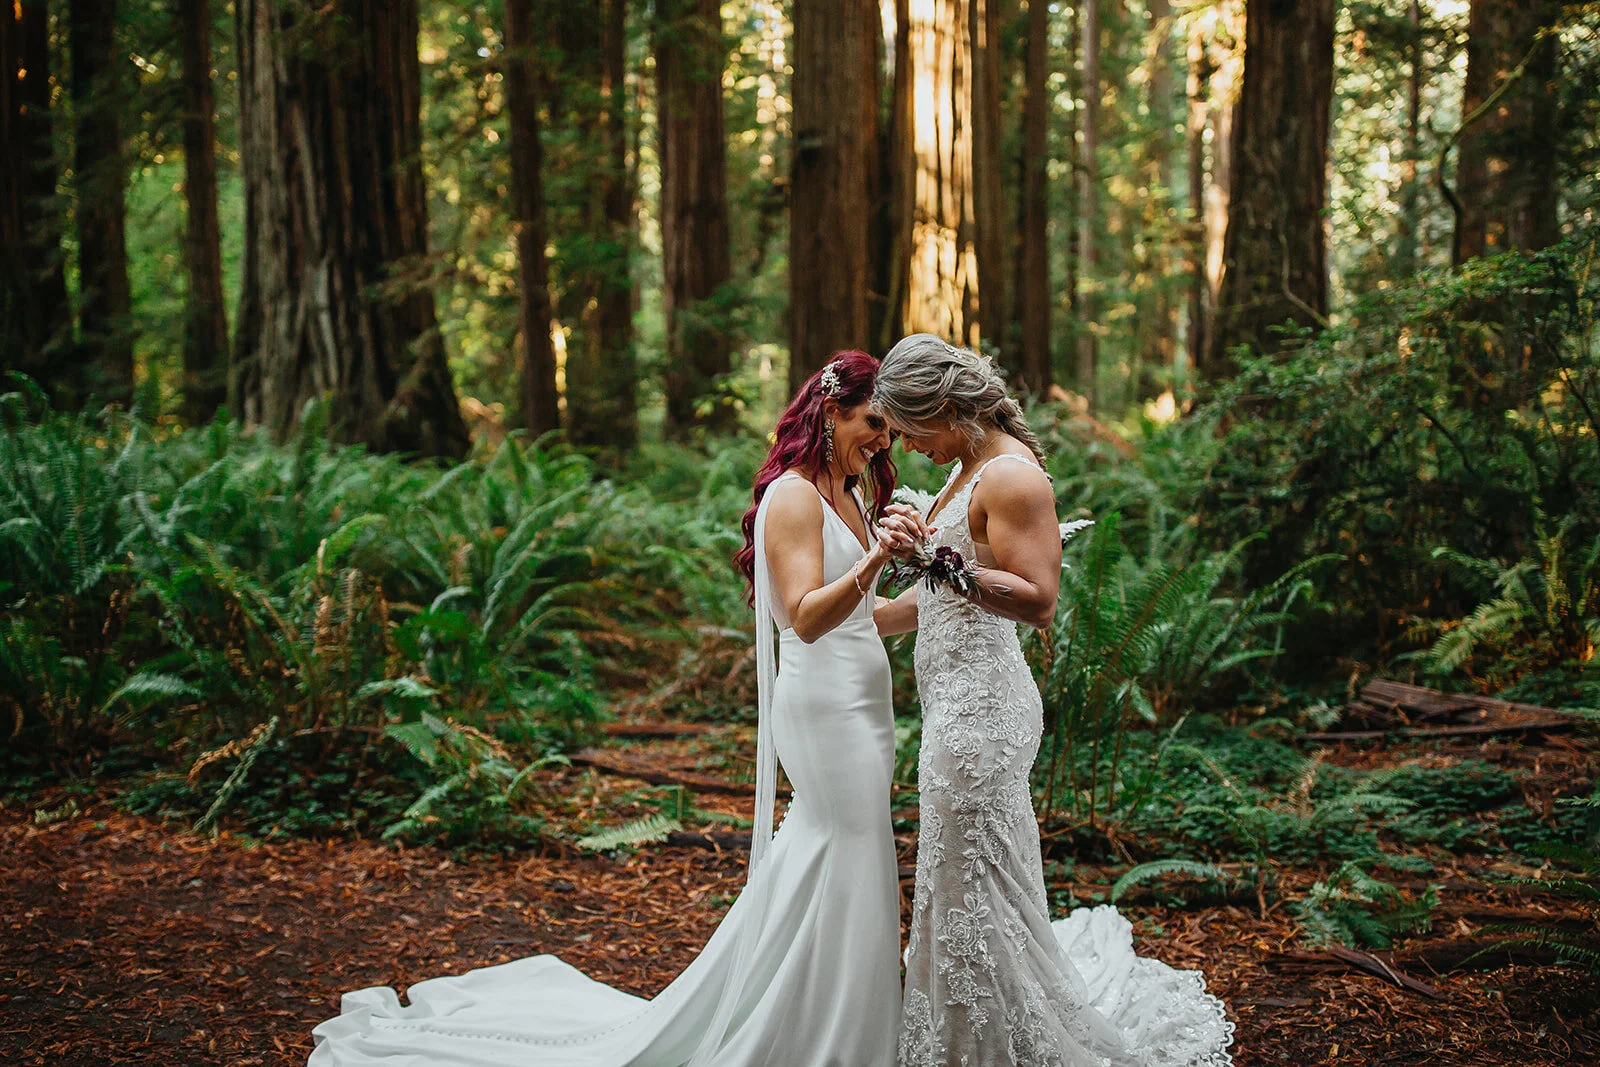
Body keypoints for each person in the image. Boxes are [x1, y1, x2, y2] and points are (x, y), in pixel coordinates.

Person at [307, 350, 922, 1067]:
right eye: (875, 422)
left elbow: (861, 615)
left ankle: (824, 1021)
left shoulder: (849, 491)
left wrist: (934, 594)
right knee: (848, 849)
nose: (884, 441)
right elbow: (806, 617)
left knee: (847, 856)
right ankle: (831, 1039)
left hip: (864, 705)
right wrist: (876, 556)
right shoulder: (794, 496)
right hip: (823, 711)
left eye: (890, 430)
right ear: (830, 411)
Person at [872, 334, 1236, 1067]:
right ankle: (972, 1038)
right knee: (966, 880)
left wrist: (931, 558)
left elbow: (1037, 600)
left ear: (945, 409)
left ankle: (994, 1045)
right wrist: (850, 619)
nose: (907, 450)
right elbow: (939, 594)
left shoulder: (1012, 479)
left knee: (969, 880)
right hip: (954, 708)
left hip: (984, 714)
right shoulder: (967, 468)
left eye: (912, 432)